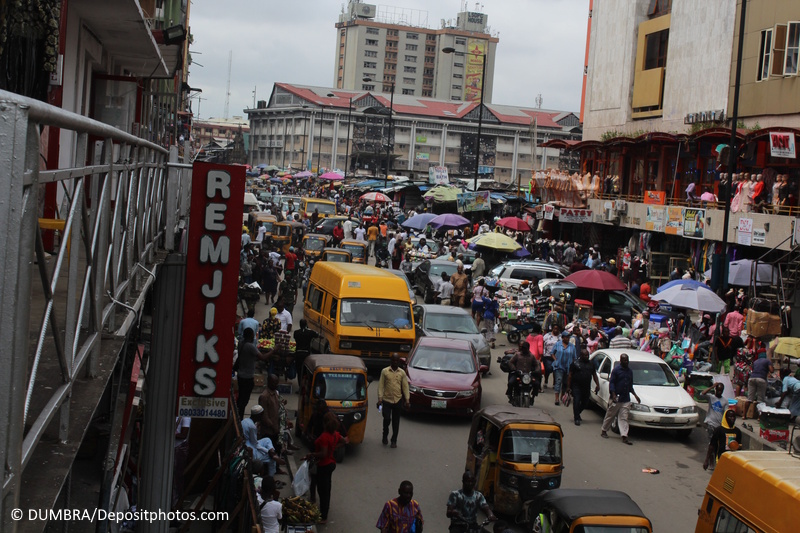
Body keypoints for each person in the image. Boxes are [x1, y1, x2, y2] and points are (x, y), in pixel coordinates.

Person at [304, 412, 347, 524]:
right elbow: (344, 441)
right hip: (330, 463)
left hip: (324, 465)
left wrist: (312, 454)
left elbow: (323, 454)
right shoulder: (335, 434)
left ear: (324, 423)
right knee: (326, 488)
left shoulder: (324, 437)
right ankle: (324, 511)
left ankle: (324, 516)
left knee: (323, 491)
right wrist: (333, 449)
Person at [600, 353, 641, 445]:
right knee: (610, 415)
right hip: (616, 398)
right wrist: (613, 394)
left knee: (624, 418)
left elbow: (630, 385)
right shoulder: (616, 370)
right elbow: (612, 383)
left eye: (627, 360)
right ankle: (604, 430)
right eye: (624, 360)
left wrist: (635, 395)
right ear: (621, 361)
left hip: (625, 398)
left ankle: (624, 436)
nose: (626, 362)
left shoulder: (630, 371)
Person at [235, 328, 273, 419]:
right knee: (244, 400)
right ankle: (239, 418)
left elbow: (248, 357)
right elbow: (262, 357)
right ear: (251, 336)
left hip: (240, 375)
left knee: (241, 399)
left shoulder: (241, 343)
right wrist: (273, 351)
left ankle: (239, 416)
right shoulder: (250, 346)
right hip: (247, 377)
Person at [378, 353, 410, 448]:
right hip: (386, 400)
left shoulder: (402, 373)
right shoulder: (385, 371)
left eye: (397, 361)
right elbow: (380, 386)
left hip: (398, 400)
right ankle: (385, 434)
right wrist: (380, 399)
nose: (395, 362)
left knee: (396, 422)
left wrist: (407, 400)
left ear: (399, 362)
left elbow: (405, 387)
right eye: (393, 360)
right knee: (387, 418)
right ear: (390, 361)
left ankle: (394, 440)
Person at [242, 405, 284, 476]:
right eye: (262, 415)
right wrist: (267, 451)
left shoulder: (245, 421)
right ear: (258, 415)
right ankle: (271, 478)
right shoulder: (252, 427)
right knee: (271, 459)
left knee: (267, 440)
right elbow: (255, 444)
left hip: (250, 443)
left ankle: (272, 452)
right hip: (250, 449)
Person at [567, 347, 600, 426]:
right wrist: (568, 387)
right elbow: (570, 375)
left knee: (585, 402)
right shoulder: (575, 363)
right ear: (581, 355)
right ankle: (576, 418)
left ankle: (578, 412)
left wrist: (597, 384)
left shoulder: (591, 364)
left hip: (586, 386)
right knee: (577, 401)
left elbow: (594, 375)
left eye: (587, 355)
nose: (587, 357)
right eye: (585, 355)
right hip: (576, 386)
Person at [550, 330, 577, 406]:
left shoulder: (572, 346)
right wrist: (555, 360)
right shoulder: (558, 344)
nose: (567, 339)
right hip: (559, 366)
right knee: (558, 381)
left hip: (568, 367)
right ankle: (556, 398)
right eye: (566, 337)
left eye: (568, 337)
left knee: (565, 382)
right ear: (562, 338)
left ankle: (563, 395)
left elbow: (574, 357)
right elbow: (552, 353)